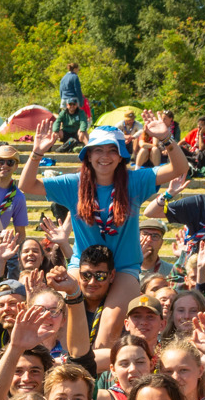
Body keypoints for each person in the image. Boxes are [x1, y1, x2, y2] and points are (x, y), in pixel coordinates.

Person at [21, 119, 185, 322]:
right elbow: (27, 185)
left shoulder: (134, 181)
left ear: (120, 157)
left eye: (112, 150)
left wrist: (165, 138)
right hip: (83, 266)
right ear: (88, 155)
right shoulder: (74, 183)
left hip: (124, 267)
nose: (105, 157)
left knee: (109, 327)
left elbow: (179, 168)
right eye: (98, 150)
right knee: (62, 318)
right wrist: (37, 153)